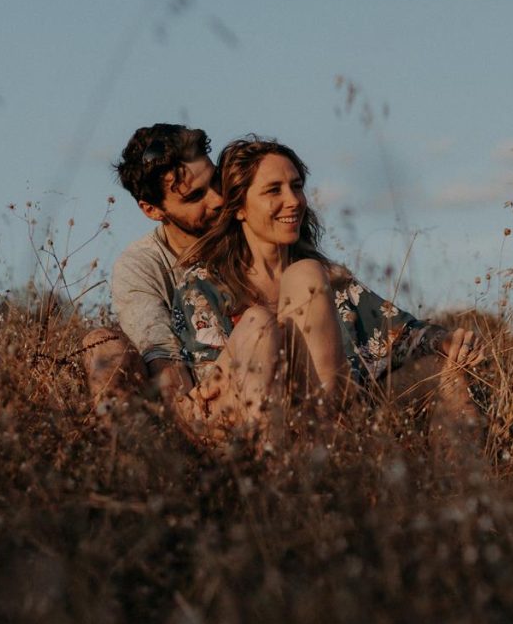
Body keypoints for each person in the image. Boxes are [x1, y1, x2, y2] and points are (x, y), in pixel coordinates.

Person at [172, 136, 484, 438]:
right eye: (273, 191)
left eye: (296, 187)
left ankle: (462, 482)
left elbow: (403, 334)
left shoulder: (328, 279)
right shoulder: (202, 285)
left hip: (327, 420)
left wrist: (444, 340)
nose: (293, 201)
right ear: (239, 207)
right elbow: (210, 387)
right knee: (259, 322)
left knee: (307, 275)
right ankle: (273, 472)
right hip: (242, 426)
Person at [82, 123, 223, 425]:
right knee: (102, 343)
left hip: (254, 389)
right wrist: (194, 424)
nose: (218, 200)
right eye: (195, 196)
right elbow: (162, 356)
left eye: (216, 182)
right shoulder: (140, 264)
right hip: (188, 405)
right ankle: (131, 462)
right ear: (152, 210)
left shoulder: (252, 231)